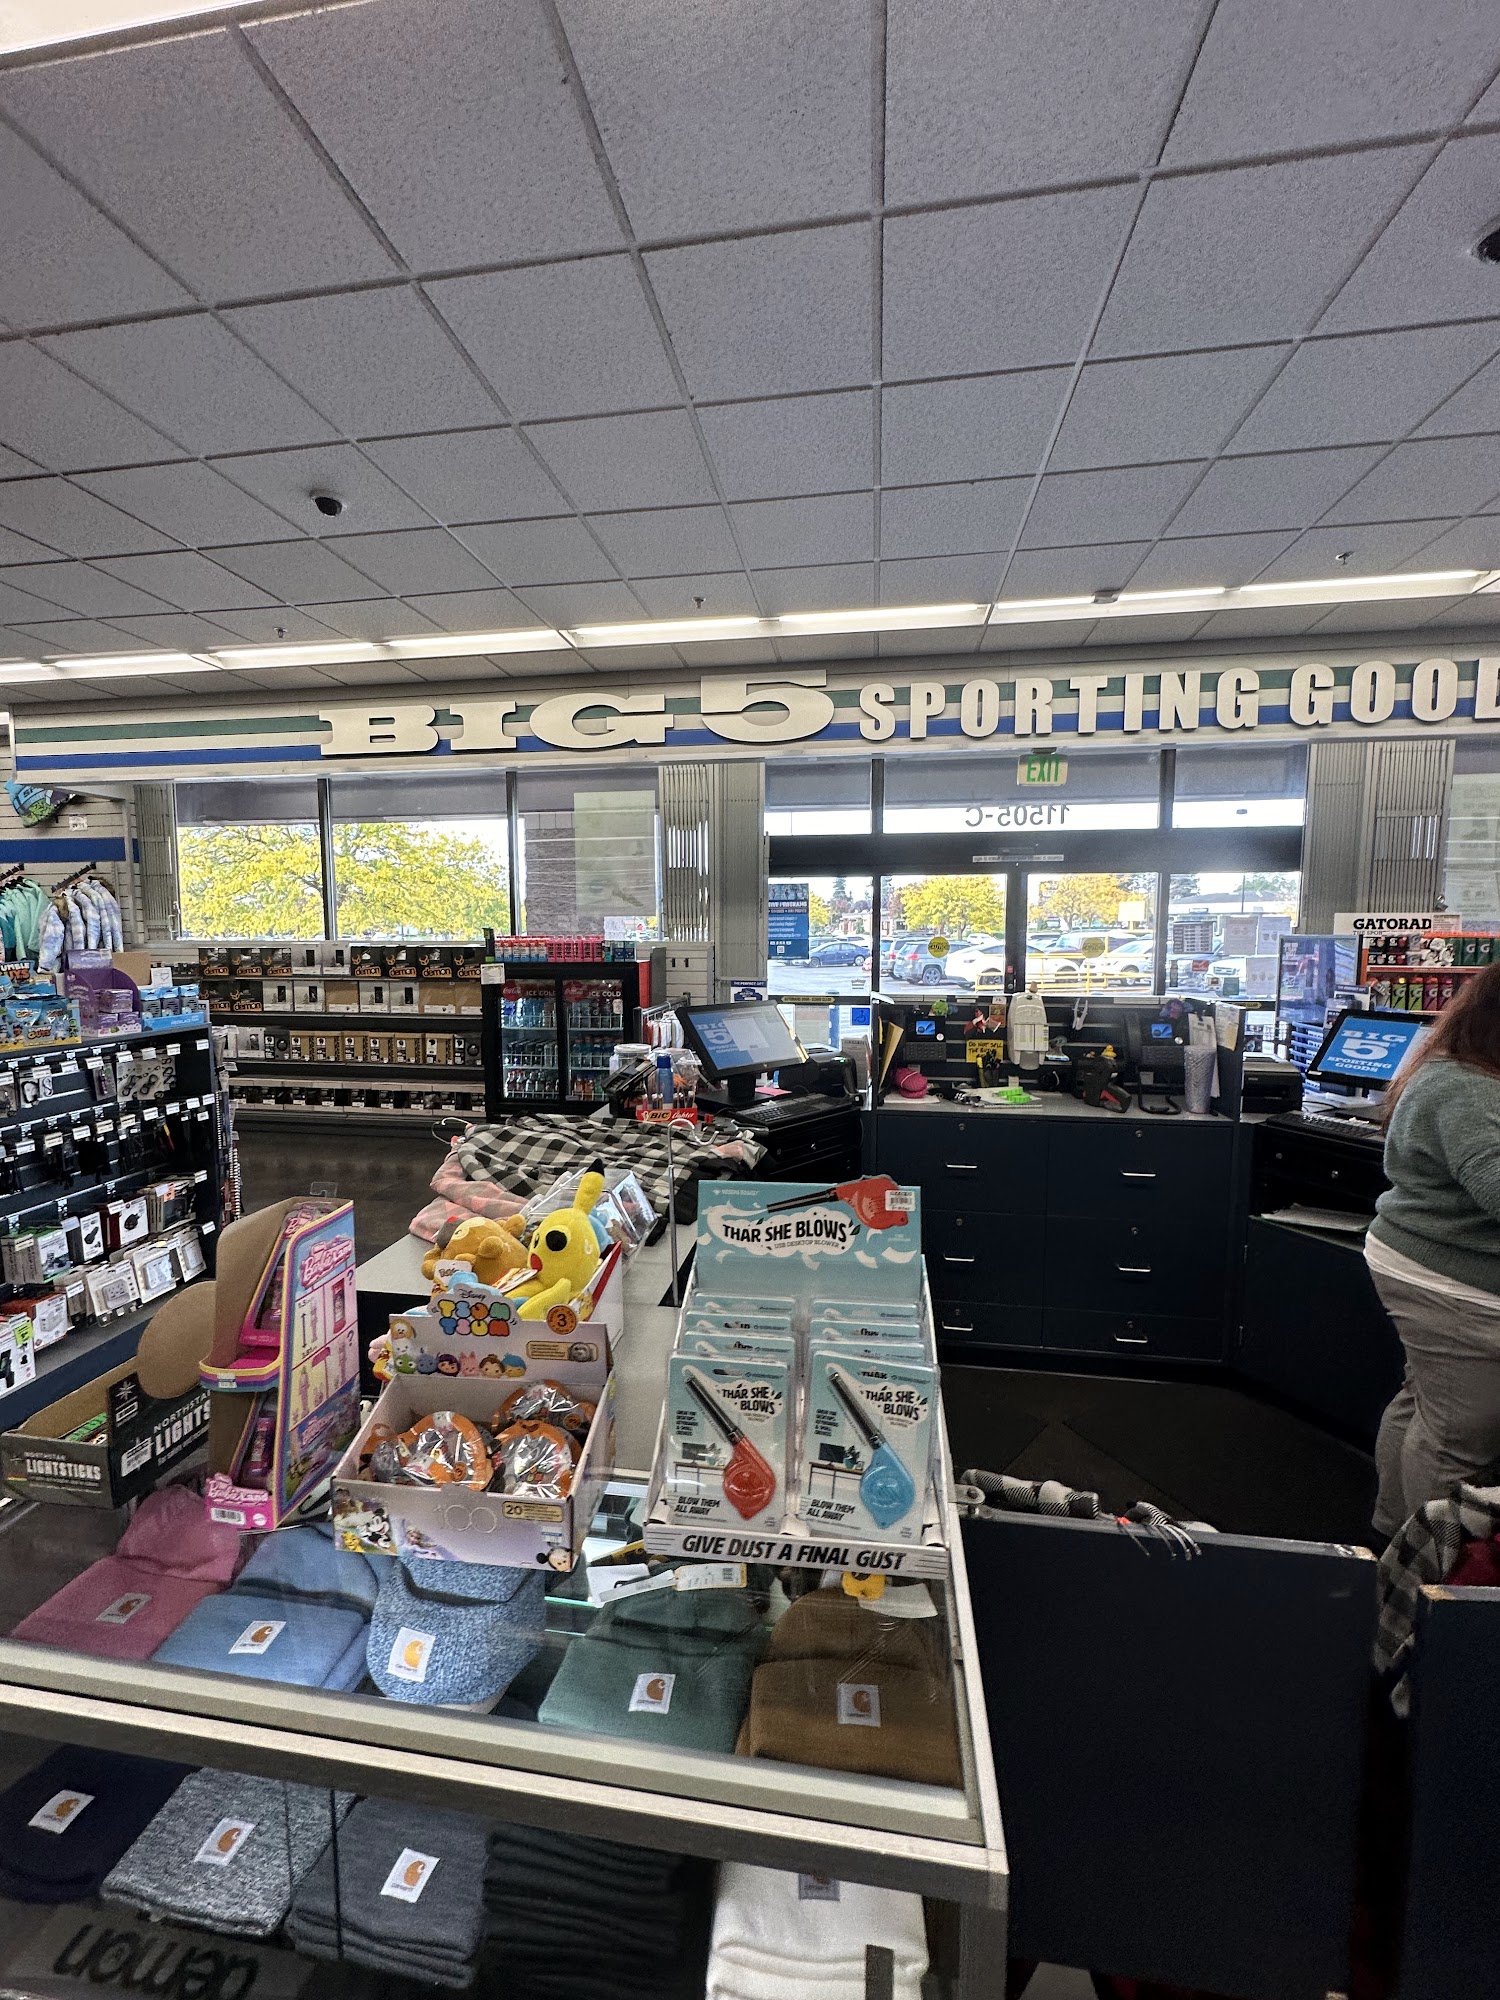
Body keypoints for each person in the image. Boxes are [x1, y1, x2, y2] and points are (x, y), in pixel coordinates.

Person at [1366, 962, 1500, 1537]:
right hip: (1451, 1281)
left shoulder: (1456, 1069)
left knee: (1423, 1403)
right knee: (1457, 1441)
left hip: (1423, 1260)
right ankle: (1429, 1572)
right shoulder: (1467, 1088)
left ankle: (1390, 1534)